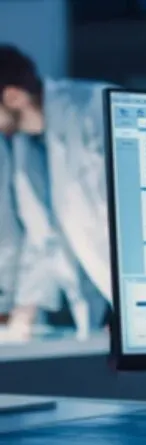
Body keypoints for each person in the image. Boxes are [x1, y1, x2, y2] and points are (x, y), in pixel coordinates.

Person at [0, 46, 113, 340]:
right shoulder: (25, 145)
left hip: (137, 290)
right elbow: (43, 236)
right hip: (95, 298)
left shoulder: (95, 107)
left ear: (13, 96)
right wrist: (25, 308)